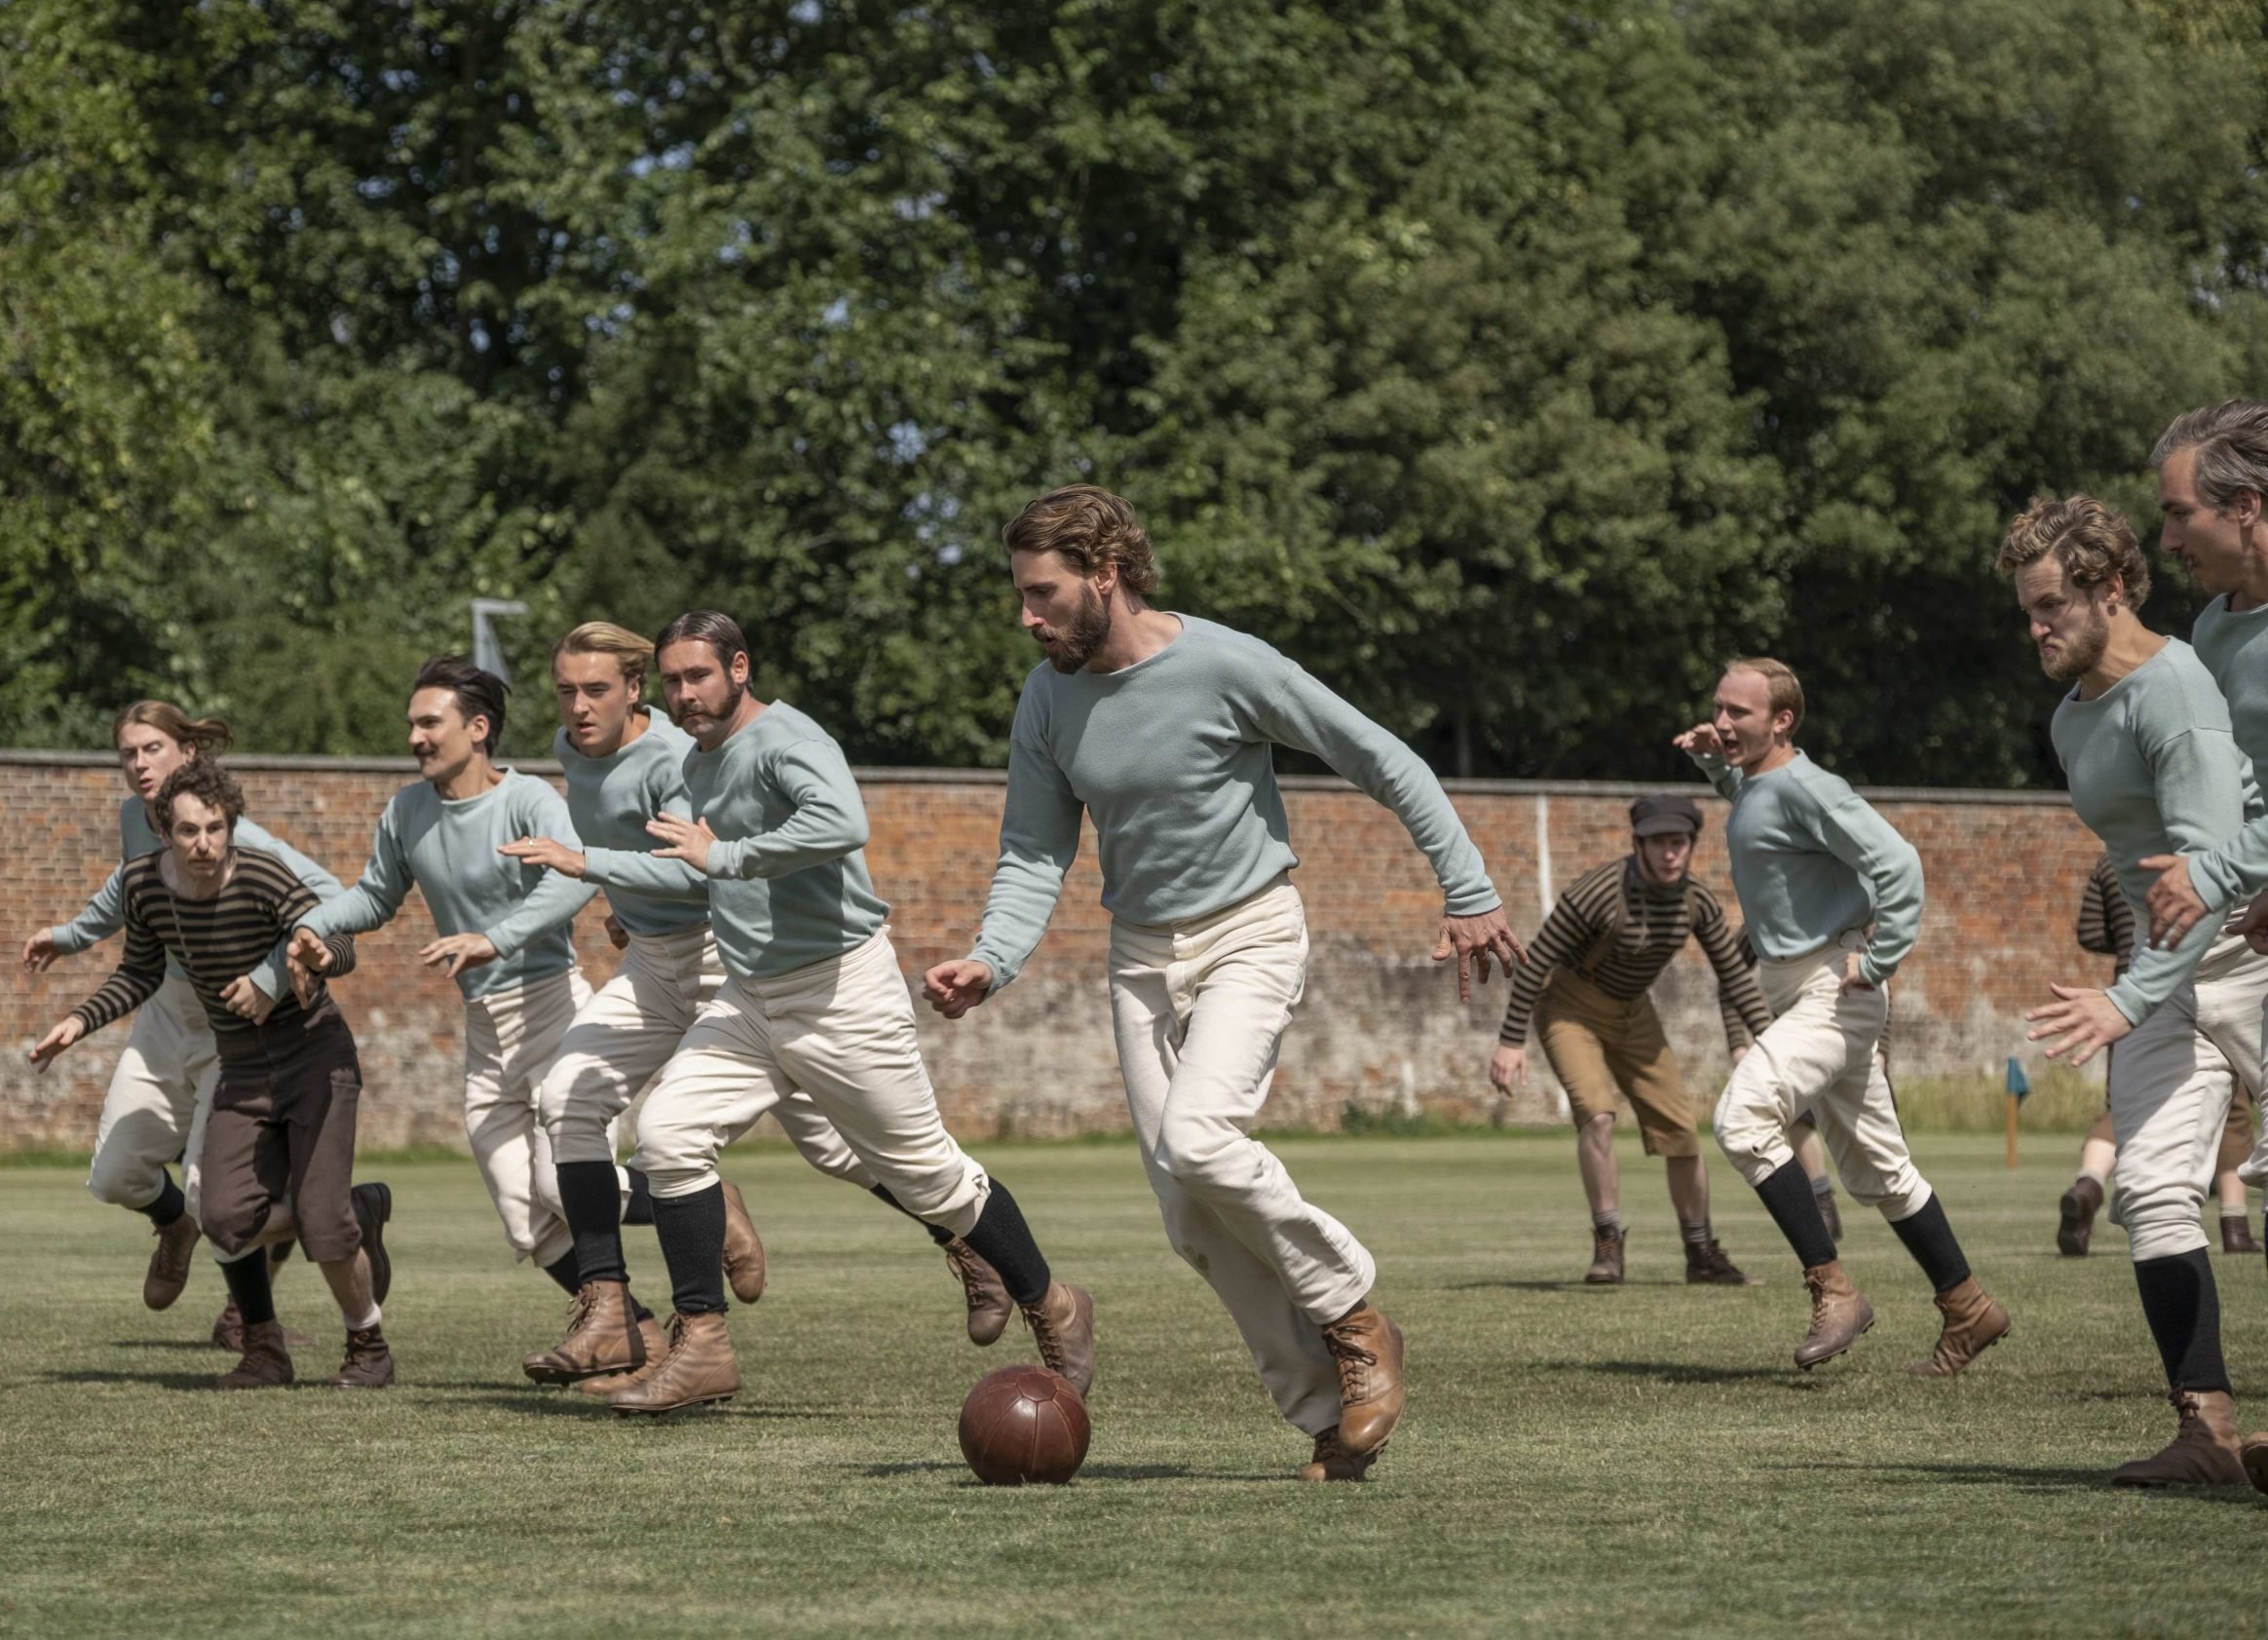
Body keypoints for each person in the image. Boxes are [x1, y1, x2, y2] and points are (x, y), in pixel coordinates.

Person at [925, 485, 1526, 1481]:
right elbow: (1034, 850)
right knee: (1190, 1217)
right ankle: (1328, 1416)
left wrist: (1466, 886)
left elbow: (1377, 757)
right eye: (1020, 596)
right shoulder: (1047, 698)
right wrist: (993, 957)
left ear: (1103, 576)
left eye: (1042, 594)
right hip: (1142, 955)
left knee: (1202, 1141)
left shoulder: (1226, 664)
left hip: (1250, 931)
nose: (1026, 618)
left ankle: (1353, 1311)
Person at [594, 613, 1092, 1415]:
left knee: (930, 1176)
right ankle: (703, 1346)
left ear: (740, 668)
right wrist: (635, 896)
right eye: (675, 680)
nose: (686, 694)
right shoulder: (698, 760)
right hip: (753, 995)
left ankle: (1052, 1302)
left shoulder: (791, 738)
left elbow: (837, 825)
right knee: (668, 1131)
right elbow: (716, 867)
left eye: (700, 676)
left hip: (838, 992)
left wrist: (722, 857)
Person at [492, 622, 1010, 1390]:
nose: (577, 706)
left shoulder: (677, 753)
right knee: (567, 1096)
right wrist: (622, 899)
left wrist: (599, 867)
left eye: (596, 688)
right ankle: (608, 1308)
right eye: (565, 690)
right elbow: (642, 861)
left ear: (636, 688)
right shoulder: (574, 753)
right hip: (652, 967)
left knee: (835, 1148)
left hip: (725, 957)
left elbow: (704, 871)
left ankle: (970, 1240)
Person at [291, 656, 764, 1378]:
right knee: (525, 1215)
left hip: (552, 1007)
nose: (415, 736)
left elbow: (571, 882)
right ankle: (630, 1330)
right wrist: (312, 929)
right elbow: (374, 898)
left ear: (477, 728)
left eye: (429, 722)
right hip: (485, 1032)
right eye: (412, 724)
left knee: (556, 1185)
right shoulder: (408, 810)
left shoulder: (531, 800)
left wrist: (496, 935)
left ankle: (714, 1201)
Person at [2001, 495, 2264, 1484]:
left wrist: (2121, 999)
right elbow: (2134, 867)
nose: (2035, 629)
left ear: (2110, 589)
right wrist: (2135, 988)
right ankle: (2207, 1436)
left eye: (2049, 606)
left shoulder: (2175, 690)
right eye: (2026, 610)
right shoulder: (2072, 717)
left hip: (2243, 951)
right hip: (2160, 976)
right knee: (2152, 1190)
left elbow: (2204, 867)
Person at [1678, 658, 2008, 1375]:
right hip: (1803, 991)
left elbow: (1900, 864)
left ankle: (1833, 1291)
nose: (1724, 722)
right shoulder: (1761, 784)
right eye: (1719, 710)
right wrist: (1718, 765)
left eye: (1740, 713)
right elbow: (1766, 823)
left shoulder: (1810, 787)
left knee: (1742, 1118)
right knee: (1880, 1173)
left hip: (1836, 986)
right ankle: (1969, 1306)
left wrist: (1881, 957)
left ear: (1783, 720)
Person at [27, 758, 395, 1389]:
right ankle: (339, 1223)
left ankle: (369, 1347)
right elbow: (141, 971)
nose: (204, 844)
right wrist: (79, 1021)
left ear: (232, 827)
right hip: (243, 1068)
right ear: (164, 830)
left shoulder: (262, 876)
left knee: (322, 1217)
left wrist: (308, 957)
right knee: (220, 1216)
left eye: (216, 828)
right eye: (189, 830)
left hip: (313, 1058)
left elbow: (341, 943)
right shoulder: (145, 884)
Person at [1491, 793, 1763, 1285]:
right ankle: (1608, 1244)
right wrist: (1511, 1041)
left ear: (1690, 846)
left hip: (1635, 1013)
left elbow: (1736, 977)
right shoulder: (1597, 892)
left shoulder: (1696, 901)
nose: (1669, 854)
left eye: (1678, 843)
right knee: (1597, 1114)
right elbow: (1536, 961)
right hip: (1570, 1008)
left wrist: (1770, 1042)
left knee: (1679, 1126)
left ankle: (1701, 1252)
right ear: (1638, 845)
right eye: (1658, 843)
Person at [2056, 857, 2257, 1258]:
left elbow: (2091, 932)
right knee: (2233, 1110)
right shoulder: (2217, 850)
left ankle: (2090, 1181)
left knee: (2127, 1100)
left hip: (2132, 981)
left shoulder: (2111, 860)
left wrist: (2132, 935)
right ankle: (2234, 1224)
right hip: (2218, 971)